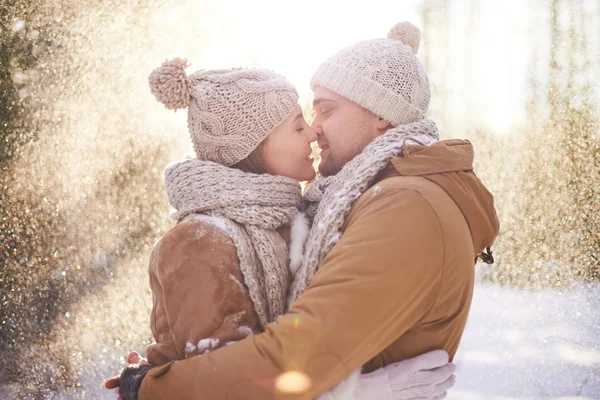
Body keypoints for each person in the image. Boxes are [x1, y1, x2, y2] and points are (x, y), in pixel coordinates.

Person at [106, 55, 457, 399]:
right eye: (297, 126)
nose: (312, 135)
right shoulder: (199, 241)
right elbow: (216, 386)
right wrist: (363, 393)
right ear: (254, 147)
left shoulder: (297, 220)